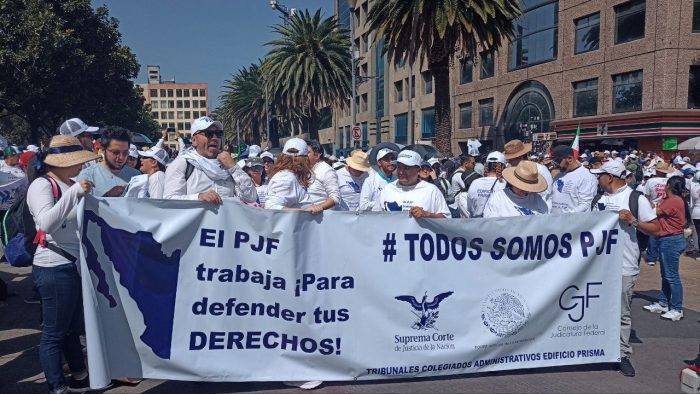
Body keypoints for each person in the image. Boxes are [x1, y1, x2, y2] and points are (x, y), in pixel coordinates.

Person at [27, 135, 99, 394]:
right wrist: (77, 192)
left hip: (71, 265)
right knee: (54, 333)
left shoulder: (67, 184)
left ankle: (79, 375)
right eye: (76, 161)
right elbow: (46, 223)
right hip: (53, 265)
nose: (81, 165)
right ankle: (57, 386)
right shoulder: (42, 185)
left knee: (71, 328)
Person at [590, 160, 660, 377]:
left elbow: (656, 229)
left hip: (624, 265)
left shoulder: (635, 198)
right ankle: (595, 348)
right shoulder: (598, 198)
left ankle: (621, 353)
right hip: (598, 266)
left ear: (609, 177)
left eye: (599, 175)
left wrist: (633, 220)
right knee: (596, 309)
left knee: (621, 312)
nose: (596, 179)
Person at [163, 117, 257, 204]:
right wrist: (198, 197)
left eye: (218, 134)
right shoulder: (183, 164)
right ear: (194, 140)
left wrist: (234, 168)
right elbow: (169, 200)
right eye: (209, 134)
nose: (215, 138)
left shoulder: (227, 165)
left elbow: (251, 197)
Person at [642, 176, 689, 321]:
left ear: (669, 186)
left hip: (671, 240)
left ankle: (676, 308)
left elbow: (653, 213)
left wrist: (646, 201)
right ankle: (663, 302)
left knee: (671, 276)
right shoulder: (671, 199)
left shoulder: (674, 200)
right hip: (667, 239)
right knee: (666, 274)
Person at [373, 150, 450, 218]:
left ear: (418, 171)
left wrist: (427, 214)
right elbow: (373, 216)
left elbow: (446, 219)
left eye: (407, 168)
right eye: (399, 167)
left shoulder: (431, 190)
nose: (401, 172)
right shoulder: (387, 189)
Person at [77, 126, 141, 197]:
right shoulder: (87, 176)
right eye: (115, 152)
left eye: (125, 153)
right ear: (103, 150)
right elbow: (81, 205)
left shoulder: (136, 176)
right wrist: (107, 196)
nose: (121, 157)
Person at [265, 138, 316, 214]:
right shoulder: (285, 178)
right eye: (307, 155)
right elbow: (272, 207)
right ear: (302, 159)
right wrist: (305, 211)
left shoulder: (290, 175)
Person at [483, 160, 549, 218]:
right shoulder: (498, 198)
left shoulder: (537, 200)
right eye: (521, 187)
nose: (526, 190)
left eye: (529, 187)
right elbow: (490, 225)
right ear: (513, 183)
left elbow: (545, 222)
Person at [503, 139, 553, 206]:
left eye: (511, 159)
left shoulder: (540, 170)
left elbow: (546, 193)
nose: (509, 162)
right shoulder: (513, 171)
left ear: (520, 158)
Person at [459, 151, 507, 218]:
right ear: (503, 167)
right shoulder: (504, 184)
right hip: (497, 224)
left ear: (486, 165)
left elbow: (470, 208)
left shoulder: (475, 183)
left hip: (478, 225)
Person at [550, 145, 597, 213]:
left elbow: (585, 204)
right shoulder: (558, 175)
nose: (556, 164)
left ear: (569, 158)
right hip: (554, 220)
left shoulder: (586, 176)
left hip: (572, 221)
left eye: (558, 160)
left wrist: (565, 216)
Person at [306, 140, 341, 211]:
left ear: (317, 155)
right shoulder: (303, 169)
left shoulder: (327, 171)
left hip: (322, 218)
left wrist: (319, 207)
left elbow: (335, 197)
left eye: (307, 152)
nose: (303, 155)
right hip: (305, 217)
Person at [0, 146, 29, 213]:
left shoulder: (21, 174)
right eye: (17, 156)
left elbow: (22, 192)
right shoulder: (1, 163)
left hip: (7, 207)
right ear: (9, 157)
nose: (18, 158)